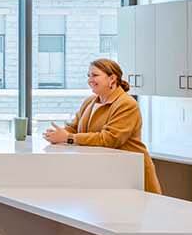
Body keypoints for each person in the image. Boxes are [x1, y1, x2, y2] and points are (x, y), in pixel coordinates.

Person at [43, 57, 162, 194]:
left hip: (130, 172)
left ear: (112, 79)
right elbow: (74, 127)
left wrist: (68, 138)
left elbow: (109, 139)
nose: (90, 80)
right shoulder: (90, 102)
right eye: (88, 76)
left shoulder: (126, 104)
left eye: (95, 75)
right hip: (104, 170)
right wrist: (57, 134)